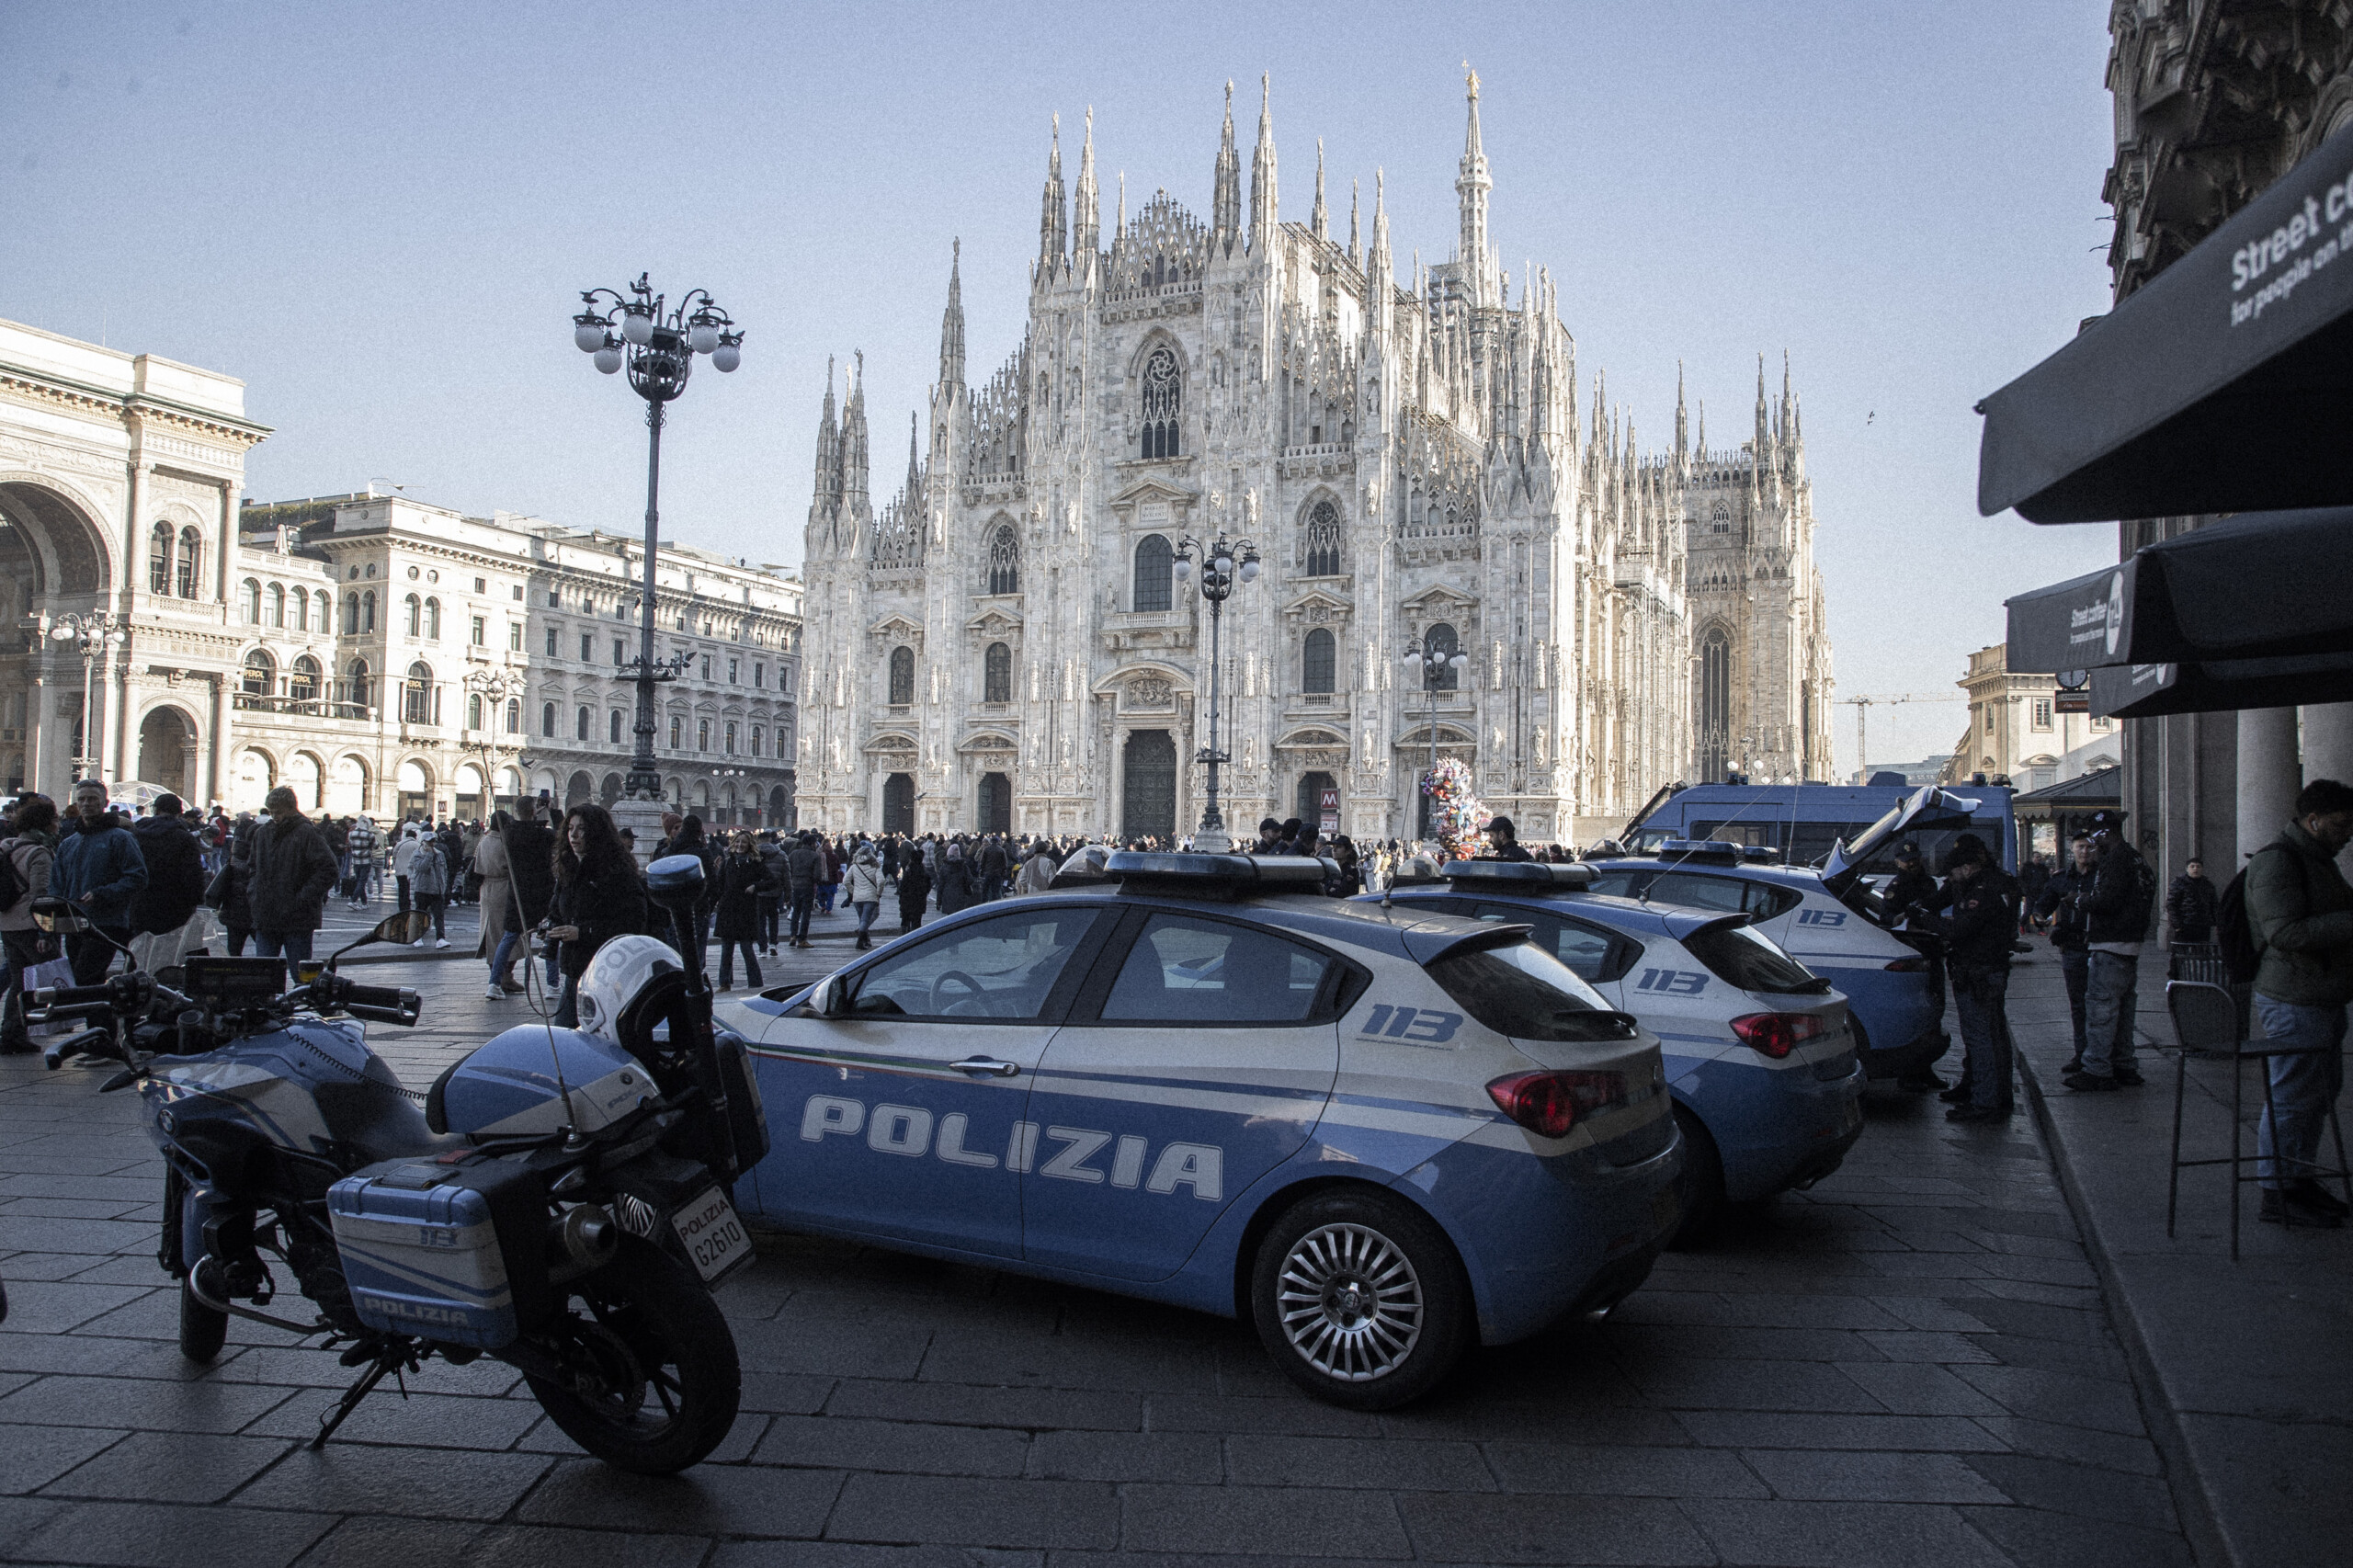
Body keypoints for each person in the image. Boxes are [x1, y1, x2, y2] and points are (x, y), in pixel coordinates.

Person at [2243, 778, 2353, 1229]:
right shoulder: (2279, 862)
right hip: (2294, 998)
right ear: (2314, 820)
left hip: (2319, 996)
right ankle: (2277, 1190)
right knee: (2291, 1097)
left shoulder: (2317, 860)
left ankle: (2298, 1179)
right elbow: (2284, 933)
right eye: (2343, 825)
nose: (2348, 835)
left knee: (2317, 1095)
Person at [2064, 809, 2154, 1092]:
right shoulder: (2137, 859)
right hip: (2130, 945)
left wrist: (2079, 900)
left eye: (2094, 836)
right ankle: (2124, 1065)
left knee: (2101, 1010)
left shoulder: (2116, 861)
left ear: (2105, 833)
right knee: (2123, 1011)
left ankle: (2098, 1069)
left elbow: (2108, 900)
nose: (2092, 843)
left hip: (2110, 944)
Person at [1938, 836, 2020, 1124]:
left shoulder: (1983, 890)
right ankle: (1995, 1094)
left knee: (1981, 1038)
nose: (1952, 878)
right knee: (1994, 1036)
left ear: (1969, 866)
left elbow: (1963, 929)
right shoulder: (2001, 881)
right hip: (1990, 969)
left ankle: (1985, 1102)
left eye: (1955, 872)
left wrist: (1928, 921)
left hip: (1978, 971)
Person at [546, 803, 648, 1028]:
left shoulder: (616, 871)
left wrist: (583, 932)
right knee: (563, 1036)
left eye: (581, 829)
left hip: (605, 974)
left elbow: (633, 922)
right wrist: (548, 927)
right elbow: (558, 910)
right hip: (574, 972)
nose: (573, 835)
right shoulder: (569, 867)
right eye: (570, 828)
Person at [51, 779, 147, 985]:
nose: (86, 804)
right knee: (83, 981)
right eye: (81, 799)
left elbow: (137, 877)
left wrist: (102, 893)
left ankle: (100, 1015)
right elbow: (56, 886)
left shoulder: (120, 838)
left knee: (86, 977)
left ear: (104, 802)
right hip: (74, 923)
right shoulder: (69, 843)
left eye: (92, 799)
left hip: (106, 922)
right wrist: (47, 929)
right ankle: (101, 1016)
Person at [246, 786, 338, 977]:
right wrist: (254, 893)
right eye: (271, 812)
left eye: (278, 812)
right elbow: (252, 868)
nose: (274, 817)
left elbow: (328, 869)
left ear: (291, 808)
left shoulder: (307, 833)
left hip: (297, 918)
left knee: (301, 977)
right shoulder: (262, 833)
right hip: (266, 915)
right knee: (264, 976)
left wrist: (301, 899)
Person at [1881, 841, 1949, 1091]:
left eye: (1915, 858)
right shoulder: (1896, 888)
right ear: (1897, 862)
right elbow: (1886, 918)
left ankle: (1925, 1069)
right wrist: (1899, 918)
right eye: (1906, 859)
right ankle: (1909, 1072)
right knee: (1916, 1016)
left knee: (1935, 1011)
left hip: (1930, 953)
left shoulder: (1928, 883)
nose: (1912, 862)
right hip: (1912, 955)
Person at [0, 796, 59, 1054]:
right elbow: (42, 896)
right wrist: (45, 931)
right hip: (29, 924)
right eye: (54, 820)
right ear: (45, 824)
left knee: (18, 980)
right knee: (47, 972)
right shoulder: (39, 853)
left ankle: (11, 1033)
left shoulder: (8, 848)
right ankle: (47, 1023)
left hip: (7, 923)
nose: (58, 824)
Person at [2035, 835, 2098, 1074]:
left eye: (2089, 846)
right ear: (2072, 849)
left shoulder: (2101, 877)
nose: (2085, 851)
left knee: (2100, 1005)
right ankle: (2082, 1053)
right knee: (2078, 1004)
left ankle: (2100, 1054)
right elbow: (2044, 903)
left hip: (2097, 947)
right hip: (2072, 947)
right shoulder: (2062, 879)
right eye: (2081, 846)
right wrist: (2040, 916)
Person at [127, 793, 208, 974]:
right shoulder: (184, 838)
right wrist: (195, 901)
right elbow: (193, 874)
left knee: (139, 952)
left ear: (156, 810)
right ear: (179, 813)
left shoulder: (137, 833)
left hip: (141, 902)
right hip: (174, 906)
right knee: (169, 956)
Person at [502, 797, 558, 994]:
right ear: (534, 811)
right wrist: (551, 811)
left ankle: (494, 982)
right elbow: (560, 834)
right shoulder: (542, 835)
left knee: (509, 937)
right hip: (542, 892)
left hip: (518, 891)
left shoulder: (508, 833)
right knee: (550, 936)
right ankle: (552, 984)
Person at [712, 831, 768, 989]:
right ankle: (724, 982)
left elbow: (772, 881)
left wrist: (755, 886)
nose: (739, 845)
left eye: (743, 842)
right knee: (726, 950)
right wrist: (712, 905)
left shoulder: (756, 863)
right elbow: (719, 885)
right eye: (737, 842)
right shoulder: (727, 862)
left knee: (747, 949)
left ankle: (755, 983)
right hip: (728, 909)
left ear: (749, 845)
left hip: (746, 911)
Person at [472, 811, 516, 1001]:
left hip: (486, 888)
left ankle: (501, 976)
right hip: (503, 887)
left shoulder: (484, 841)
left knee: (490, 934)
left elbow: (477, 866)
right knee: (508, 934)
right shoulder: (504, 843)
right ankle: (503, 976)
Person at [406, 824, 451, 948]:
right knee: (421, 915)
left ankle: (440, 939)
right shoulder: (417, 854)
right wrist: (429, 855)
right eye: (429, 842)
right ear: (423, 842)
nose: (432, 844)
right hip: (423, 890)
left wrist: (444, 885)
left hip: (437, 890)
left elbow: (444, 870)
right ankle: (418, 937)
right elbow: (422, 867)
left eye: (433, 841)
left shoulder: (440, 854)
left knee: (439, 916)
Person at [844, 839, 886, 950]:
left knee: (863, 919)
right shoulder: (875, 866)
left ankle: (866, 940)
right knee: (865, 920)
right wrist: (878, 893)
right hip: (870, 897)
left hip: (857, 897)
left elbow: (846, 881)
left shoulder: (854, 866)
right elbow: (881, 881)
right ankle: (860, 942)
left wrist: (853, 891)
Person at [2167, 857, 2219, 947]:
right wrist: (2177, 925)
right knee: (2181, 952)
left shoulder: (2208, 885)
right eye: (2192, 866)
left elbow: (2214, 904)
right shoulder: (2178, 884)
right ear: (2187, 869)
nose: (2195, 869)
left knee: (2202, 951)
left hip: (2203, 925)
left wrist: (2215, 921)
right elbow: (2171, 905)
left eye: (2198, 866)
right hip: (2185, 925)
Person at [785, 830, 823, 948]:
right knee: (806, 913)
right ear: (812, 843)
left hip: (795, 885)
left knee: (796, 911)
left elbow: (788, 870)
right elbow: (817, 875)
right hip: (807, 885)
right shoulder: (815, 855)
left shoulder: (793, 854)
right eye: (816, 843)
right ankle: (802, 939)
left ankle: (792, 936)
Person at [896, 843, 931, 932]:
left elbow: (902, 888)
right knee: (917, 922)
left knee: (905, 921)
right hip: (919, 901)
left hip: (907, 901)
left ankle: (904, 939)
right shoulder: (924, 874)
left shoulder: (908, 873)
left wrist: (901, 898)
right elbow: (928, 888)